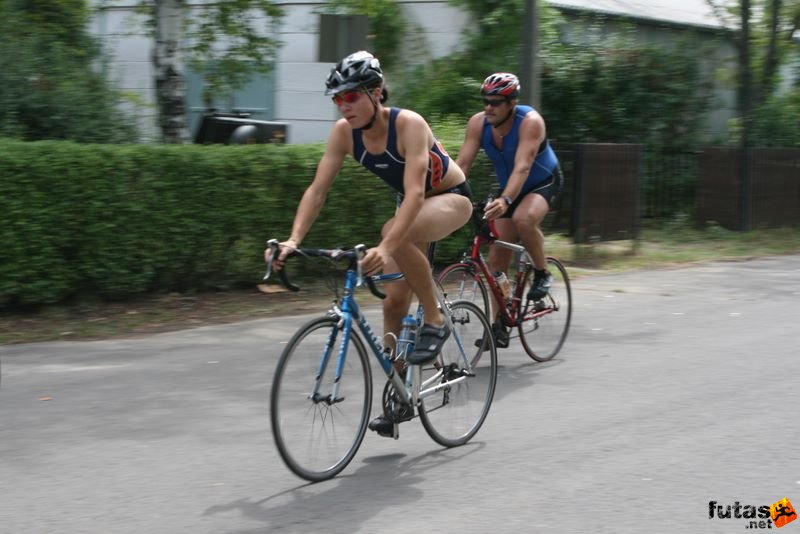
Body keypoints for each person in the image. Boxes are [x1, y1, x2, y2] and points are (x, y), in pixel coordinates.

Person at [265, 51, 473, 436]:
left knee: (394, 229)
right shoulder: (344, 133)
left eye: (352, 96)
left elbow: (414, 195)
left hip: (449, 198)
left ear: (376, 93)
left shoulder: (408, 124)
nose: (344, 106)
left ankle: (435, 318)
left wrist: (387, 245)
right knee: (393, 303)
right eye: (337, 99)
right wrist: (293, 240)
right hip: (409, 209)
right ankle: (398, 395)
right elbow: (317, 191)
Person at [456, 72, 563, 348]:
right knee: (497, 259)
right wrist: (448, 193)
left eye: (495, 102)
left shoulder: (530, 122)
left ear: (512, 103)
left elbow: (523, 166)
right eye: (485, 101)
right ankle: (499, 324)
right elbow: (462, 165)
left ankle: (542, 273)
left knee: (523, 219)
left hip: (542, 182)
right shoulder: (479, 124)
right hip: (509, 189)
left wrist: (505, 199)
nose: (488, 107)